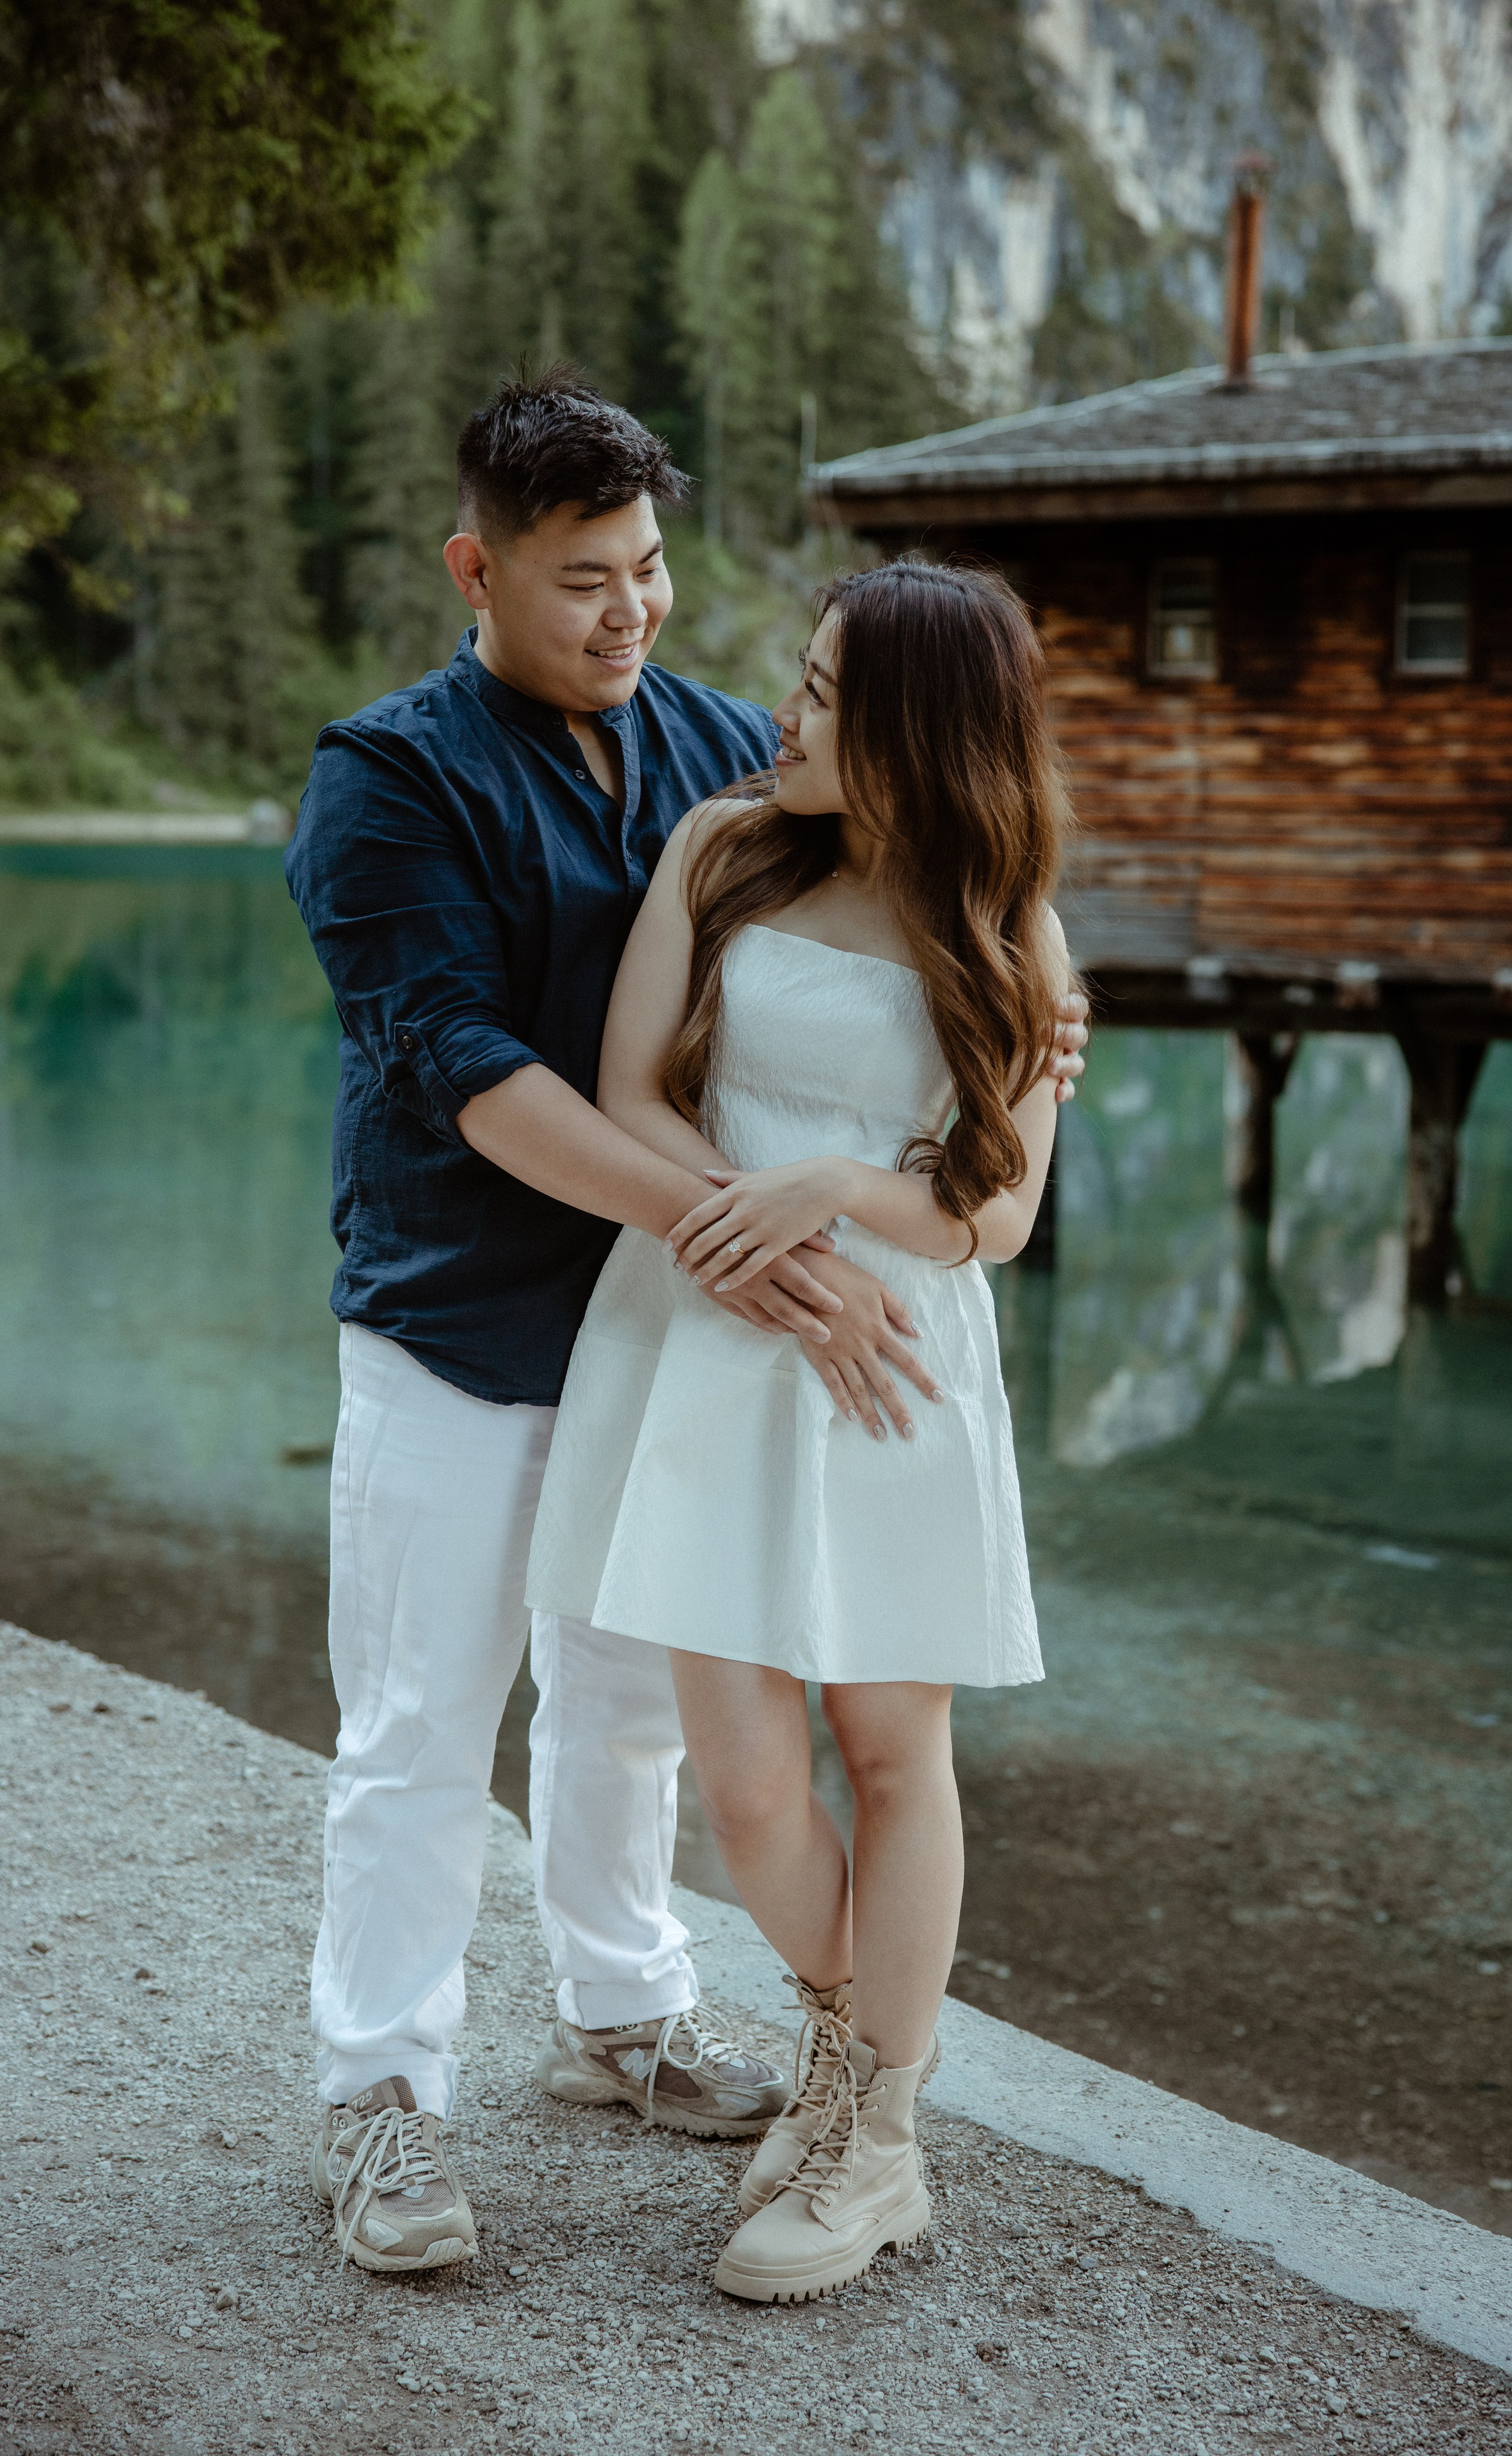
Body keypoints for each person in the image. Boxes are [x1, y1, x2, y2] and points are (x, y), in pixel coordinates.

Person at [283, 372, 1089, 2274]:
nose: (628, 613)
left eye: (647, 569)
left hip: (677, 1348)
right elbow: (472, 1073)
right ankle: (383, 2096)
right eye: (581, 581)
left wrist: (1042, 1009)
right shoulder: (387, 777)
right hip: (468, 1323)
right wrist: (763, 1238)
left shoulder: (727, 752)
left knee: (631, 1716)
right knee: (421, 1724)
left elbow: (937, 842)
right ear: (478, 571)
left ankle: (630, 2016)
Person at [526, 559, 1069, 2302]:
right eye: (806, 678)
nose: (790, 709)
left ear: (919, 730)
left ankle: (880, 2140)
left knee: (898, 1758)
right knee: (752, 1790)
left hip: (893, 1367)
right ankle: (849, 2057)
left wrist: (845, 1192)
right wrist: (757, 1238)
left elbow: (999, 1217)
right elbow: (626, 1099)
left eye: (831, 693)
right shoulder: (719, 847)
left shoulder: (1010, 925)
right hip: (706, 1332)